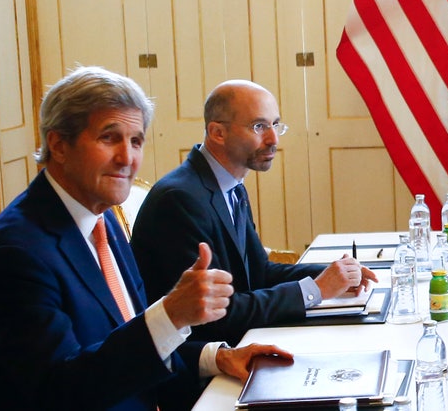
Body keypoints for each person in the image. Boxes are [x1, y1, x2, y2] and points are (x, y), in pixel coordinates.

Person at [0, 66, 290, 411]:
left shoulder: (104, 222)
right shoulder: (17, 250)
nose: (127, 159)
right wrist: (171, 315)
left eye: (135, 141)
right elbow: (59, 390)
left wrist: (217, 357)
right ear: (58, 144)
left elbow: (128, 342)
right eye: (108, 138)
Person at [132, 80, 377, 345]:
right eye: (259, 126)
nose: (274, 140)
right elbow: (214, 316)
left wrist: (333, 275)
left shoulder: (230, 187)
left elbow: (258, 273)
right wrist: (316, 289)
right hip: (197, 365)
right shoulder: (180, 200)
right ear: (217, 133)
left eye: (276, 124)